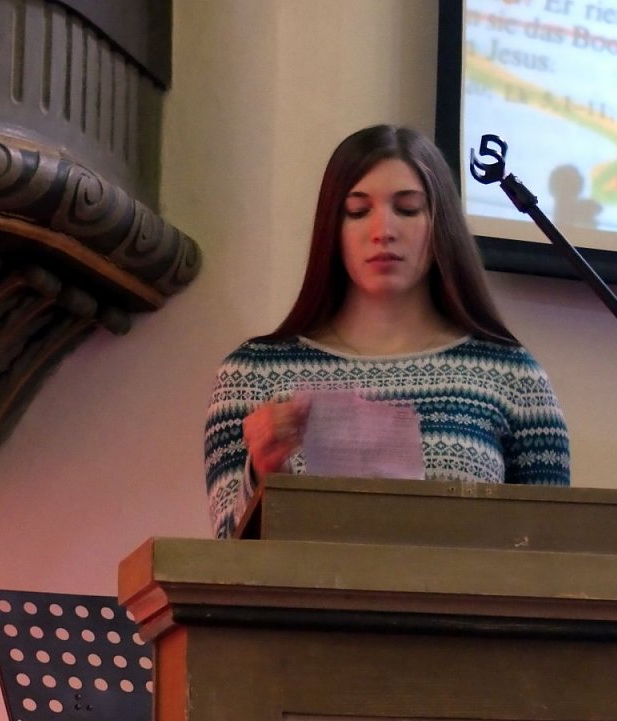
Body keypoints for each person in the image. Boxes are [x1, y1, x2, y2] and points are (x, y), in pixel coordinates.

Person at [205, 124, 570, 539]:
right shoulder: (252, 374)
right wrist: (268, 473)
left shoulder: (513, 375)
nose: (383, 231)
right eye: (358, 211)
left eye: (408, 209)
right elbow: (223, 558)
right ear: (332, 227)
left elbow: (551, 551)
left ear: (440, 224)